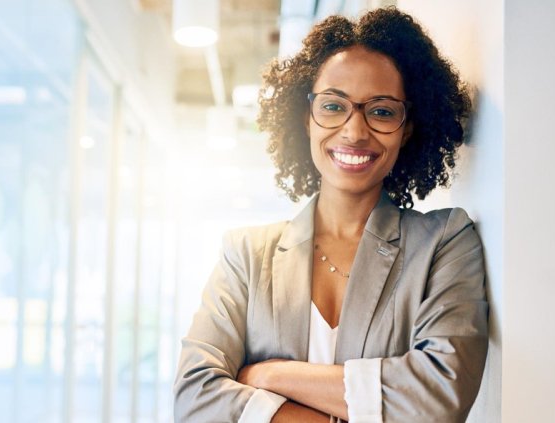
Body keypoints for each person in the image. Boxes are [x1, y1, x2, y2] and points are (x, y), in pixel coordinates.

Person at [173, 7, 488, 423]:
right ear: (306, 118)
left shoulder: (445, 242)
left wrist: (270, 375)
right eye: (333, 106)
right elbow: (194, 398)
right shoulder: (246, 255)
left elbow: (437, 398)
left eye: (381, 111)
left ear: (408, 127)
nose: (355, 131)